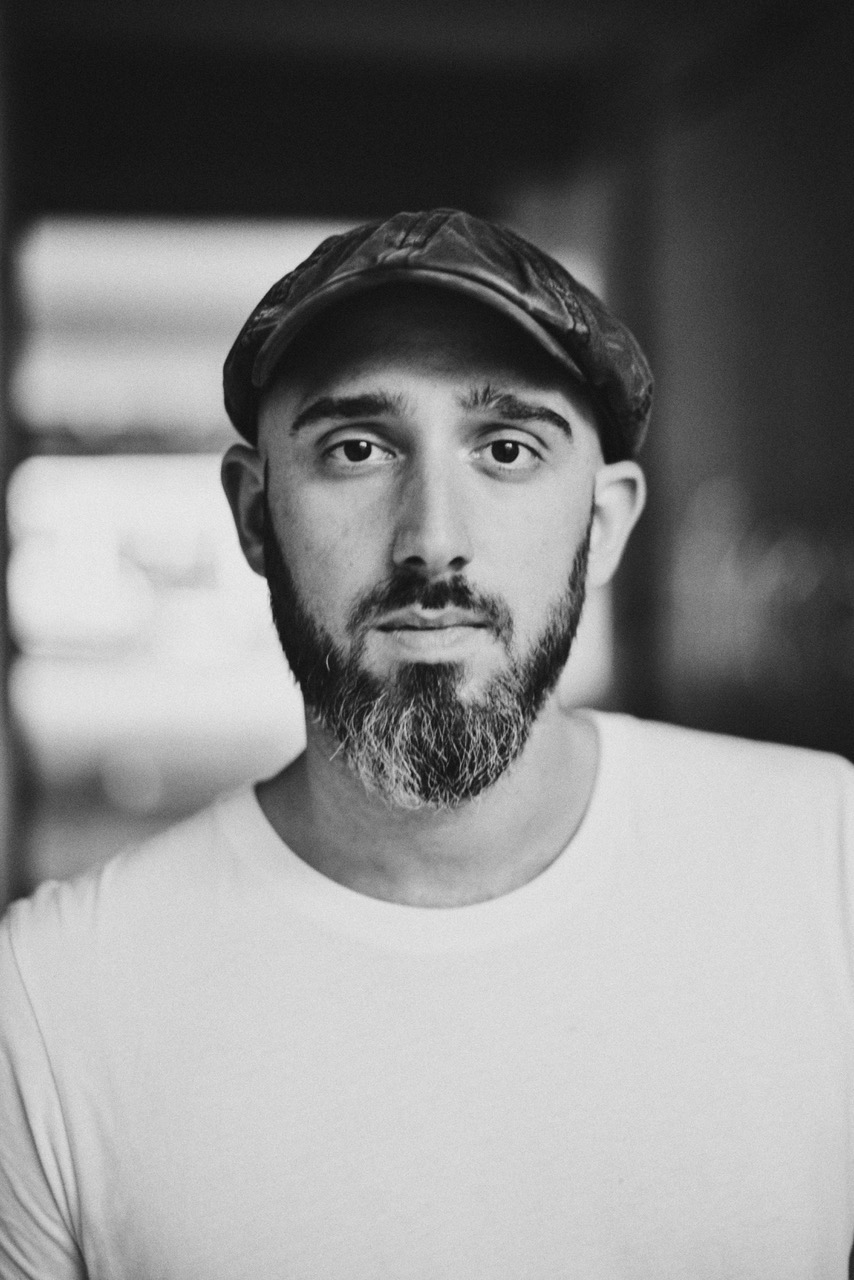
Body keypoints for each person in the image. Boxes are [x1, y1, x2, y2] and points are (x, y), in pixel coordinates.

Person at [1, 208, 852, 1279]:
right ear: (255, 516)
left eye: (505, 449)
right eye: (356, 448)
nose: (431, 538)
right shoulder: (52, 996)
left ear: (605, 523)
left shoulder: (828, 861)